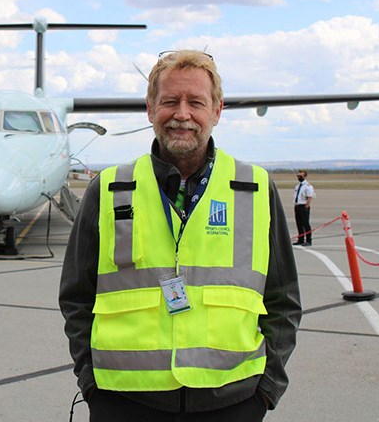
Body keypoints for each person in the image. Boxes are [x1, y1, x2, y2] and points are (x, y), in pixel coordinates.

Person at [59, 50, 302, 421]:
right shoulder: (108, 189)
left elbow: (283, 300)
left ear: (217, 111)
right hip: (124, 401)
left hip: (232, 402)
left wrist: (266, 390)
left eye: (196, 103)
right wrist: (91, 384)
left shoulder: (254, 189)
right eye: (170, 101)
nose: (182, 114)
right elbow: (76, 296)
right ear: (150, 108)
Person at [293, 170, 315, 246]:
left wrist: (306, 207)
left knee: (305, 224)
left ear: (305, 176)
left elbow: (310, 197)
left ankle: (309, 240)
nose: (299, 178)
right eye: (298, 176)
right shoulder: (298, 186)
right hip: (297, 206)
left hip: (303, 207)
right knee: (299, 224)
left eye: (301, 176)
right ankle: (301, 239)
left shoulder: (308, 186)